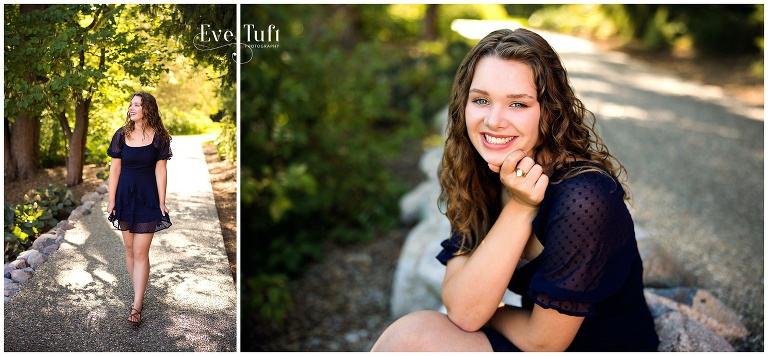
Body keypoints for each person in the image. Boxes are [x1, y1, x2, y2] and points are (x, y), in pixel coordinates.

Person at [371, 28, 659, 351]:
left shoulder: (585, 199)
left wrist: (493, 312)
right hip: (525, 337)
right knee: (407, 337)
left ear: (548, 111)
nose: (494, 121)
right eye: (481, 100)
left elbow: (543, 343)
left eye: (517, 105)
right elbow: (461, 307)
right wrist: (520, 207)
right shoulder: (475, 170)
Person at [106, 92, 173, 326]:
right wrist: (111, 199)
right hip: (124, 196)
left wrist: (162, 201)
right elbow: (114, 170)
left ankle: (137, 304)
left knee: (141, 251)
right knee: (129, 249)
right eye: (131, 104)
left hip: (147, 198)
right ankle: (138, 290)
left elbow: (160, 171)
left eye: (137, 104)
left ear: (148, 109)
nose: (131, 108)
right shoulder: (121, 135)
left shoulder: (159, 138)